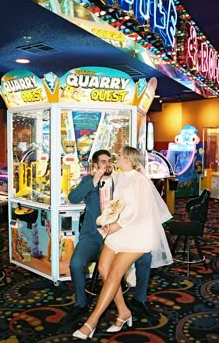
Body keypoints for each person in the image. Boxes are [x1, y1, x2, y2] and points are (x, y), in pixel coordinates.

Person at [72, 146, 173, 340]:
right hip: (113, 231)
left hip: (135, 232)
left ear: (128, 159)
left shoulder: (140, 180)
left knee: (115, 272)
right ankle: (124, 311)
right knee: (103, 268)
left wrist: (116, 225)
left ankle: (91, 322)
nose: (113, 160)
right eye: (108, 159)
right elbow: (115, 205)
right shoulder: (119, 177)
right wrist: (109, 221)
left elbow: (140, 212)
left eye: (118, 156)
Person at [63, 149, 155, 322]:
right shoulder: (89, 181)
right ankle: (81, 304)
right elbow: (73, 198)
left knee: (146, 258)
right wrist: (95, 180)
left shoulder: (121, 180)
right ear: (95, 165)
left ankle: (139, 300)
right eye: (103, 162)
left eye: (109, 161)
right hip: (93, 236)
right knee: (76, 263)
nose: (107, 164)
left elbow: (135, 207)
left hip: (120, 233)